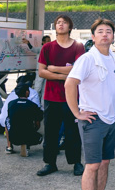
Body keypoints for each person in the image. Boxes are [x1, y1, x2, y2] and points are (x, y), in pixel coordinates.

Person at [66, 19, 115, 190]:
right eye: (100, 31)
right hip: (92, 120)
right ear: (93, 37)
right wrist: (77, 113)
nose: (105, 34)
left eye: (108, 31)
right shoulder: (87, 59)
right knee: (92, 166)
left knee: (105, 163)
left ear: (113, 36)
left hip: (111, 119)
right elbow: (70, 83)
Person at [36, 15, 85, 177]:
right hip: (51, 97)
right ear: (55, 26)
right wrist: (65, 76)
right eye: (58, 22)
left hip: (72, 97)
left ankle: (76, 162)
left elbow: (78, 69)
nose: (61, 25)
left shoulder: (78, 46)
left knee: (73, 132)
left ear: (70, 27)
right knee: (50, 132)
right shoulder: (47, 47)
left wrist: (53, 68)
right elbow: (42, 72)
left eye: (64, 22)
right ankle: (50, 163)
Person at [3, 82, 44, 157]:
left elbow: (10, 120)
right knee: (33, 121)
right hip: (31, 138)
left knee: (7, 120)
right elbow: (37, 124)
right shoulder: (33, 105)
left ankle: (9, 147)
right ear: (27, 92)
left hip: (14, 138)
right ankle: (26, 144)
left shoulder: (11, 104)